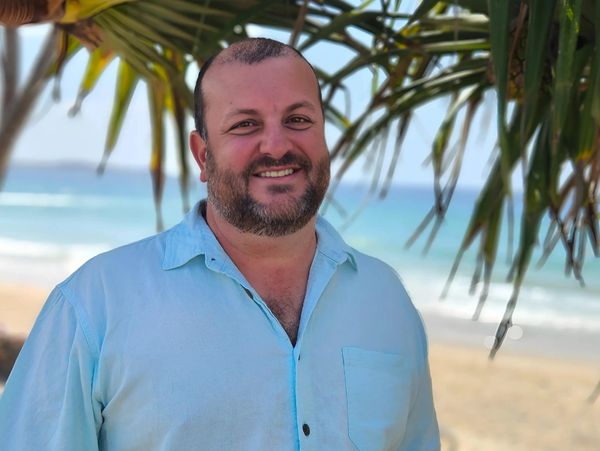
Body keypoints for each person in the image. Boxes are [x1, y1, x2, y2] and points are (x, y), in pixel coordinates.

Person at [0, 38, 440, 450]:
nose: (277, 145)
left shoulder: (387, 300)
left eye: (298, 120)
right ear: (202, 155)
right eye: (245, 124)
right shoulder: (95, 304)